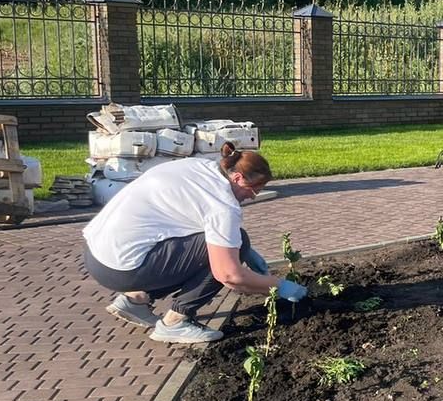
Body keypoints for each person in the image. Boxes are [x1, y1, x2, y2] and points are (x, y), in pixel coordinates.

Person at [82, 142, 306, 343]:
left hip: (97, 253)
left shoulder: (198, 167)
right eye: (253, 190)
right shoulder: (222, 204)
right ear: (238, 178)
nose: (252, 196)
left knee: (236, 242)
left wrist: (245, 249)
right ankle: (175, 322)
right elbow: (230, 276)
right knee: (225, 258)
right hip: (124, 268)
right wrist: (279, 286)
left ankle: (136, 300)